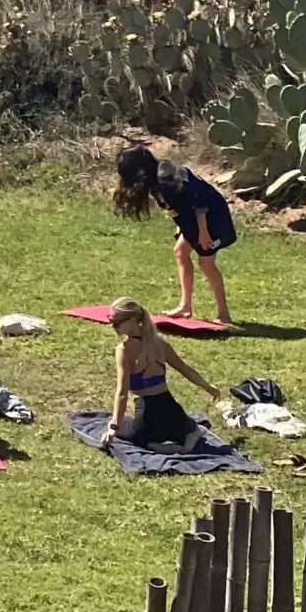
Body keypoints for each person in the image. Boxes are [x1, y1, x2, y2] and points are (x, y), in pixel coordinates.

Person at [114, 144, 235, 324]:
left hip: (212, 219)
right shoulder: (157, 176)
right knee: (181, 252)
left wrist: (203, 232)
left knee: (206, 263)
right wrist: (183, 226)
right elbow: (180, 206)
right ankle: (185, 307)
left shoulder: (166, 179)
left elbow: (198, 202)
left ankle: (224, 315)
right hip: (196, 220)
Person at [102, 297, 219, 453]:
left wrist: (113, 426)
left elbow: (122, 393)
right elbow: (185, 369)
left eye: (116, 322)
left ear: (132, 320)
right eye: (111, 321)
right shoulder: (160, 344)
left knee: (130, 432)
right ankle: (184, 440)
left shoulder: (124, 350)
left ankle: (159, 446)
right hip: (172, 411)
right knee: (189, 429)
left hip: (147, 417)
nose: (112, 326)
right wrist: (208, 387)